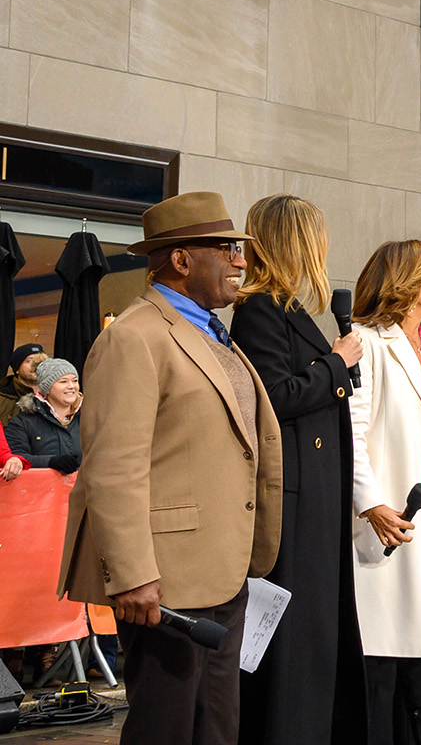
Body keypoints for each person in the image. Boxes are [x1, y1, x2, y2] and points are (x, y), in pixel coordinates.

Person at [58, 191, 282, 745]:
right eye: (227, 248)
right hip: (165, 580)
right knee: (166, 727)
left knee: (216, 727)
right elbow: (114, 467)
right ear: (181, 260)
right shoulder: (133, 337)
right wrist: (133, 572)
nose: (240, 260)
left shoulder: (214, 334)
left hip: (224, 570)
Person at [227, 194, 368, 745]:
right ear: (298, 243)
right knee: (296, 640)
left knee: (315, 633)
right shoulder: (259, 308)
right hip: (295, 501)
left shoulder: (286, 309)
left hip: (315, 496)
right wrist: (336, 363)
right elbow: (274, 396)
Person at [348, 240, 421, 744]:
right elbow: (351, 431)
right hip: (382, 516)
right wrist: (370, 503)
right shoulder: (365, 340)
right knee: (380, 642)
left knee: (419, 645)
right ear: (407, 283)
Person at [5, 357, 81, 472]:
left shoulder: (89, 418)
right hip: (41, 488)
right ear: (47, 388)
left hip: (84, 489)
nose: (71, 386)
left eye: (75, 380)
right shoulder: (22, 422)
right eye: (63, 381)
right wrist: (50, 461)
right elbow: (16, 458)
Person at [0, 343, 45, 424]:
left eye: (40, 361)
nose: (36, 364)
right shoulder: (3, 398)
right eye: (30, 360)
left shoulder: (55, 395)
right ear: (17, 368)